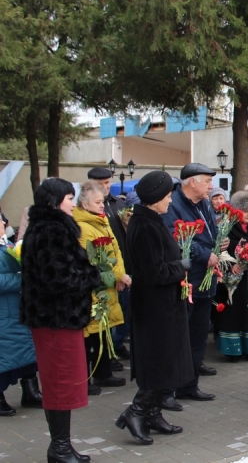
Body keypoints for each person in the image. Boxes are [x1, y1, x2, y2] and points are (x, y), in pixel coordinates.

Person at [20, 178, 100, 463]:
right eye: (68, 198)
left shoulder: (48, 227)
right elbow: (57, 278)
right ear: (53, 201)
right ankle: (60, 447)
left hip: (57, 318)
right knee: (59, 382)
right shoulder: (51, 230)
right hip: (54, 319)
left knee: (63, 382)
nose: (72, 203)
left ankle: (62, 445)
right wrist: (93, 275)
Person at [118, 170, 193, 445]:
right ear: (155, 198)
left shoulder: (150, 220)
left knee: (164, 360)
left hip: (162, 304)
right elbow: (154, 272)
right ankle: (136, 411)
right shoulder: (146, 225)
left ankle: (152, 412)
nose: (170, 201)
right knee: (158, 360)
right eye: (167, 196)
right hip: (155, 307)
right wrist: (181, 267)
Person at [161, 163, 226, 409]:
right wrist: (204, 254)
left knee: (198, 335)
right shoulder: (174, 204)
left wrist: (219, 243)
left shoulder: (204, 204)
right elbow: (175, 238)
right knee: (178, 336)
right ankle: (167, 390)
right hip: (186, 280)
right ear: (192, 182)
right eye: (207, 181)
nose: (211, 186)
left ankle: (189, 384)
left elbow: (209, 233)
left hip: (205, 278)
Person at [73, 180, 129, 393]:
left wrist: (120, 274)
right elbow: (97, 261)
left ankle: (103, 374)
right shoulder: (85, 227)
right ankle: (88, 377)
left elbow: (116, 251)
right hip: (95, 290)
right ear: (84, 204)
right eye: (97, 202)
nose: (102, 206)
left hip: (108, 287)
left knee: (103, 331)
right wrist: (118, 275)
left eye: (103, 202)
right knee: (91, 335)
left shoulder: (101, 221)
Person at [88, 167, 132, 363]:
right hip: (106, 271)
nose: (105, 187)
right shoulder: (90, 208)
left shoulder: (118, 203)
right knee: (109, 311)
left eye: (107, 183)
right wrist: (113, 273)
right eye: (100, 184)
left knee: (124, 309)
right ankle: (109, 350)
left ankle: (119, 343)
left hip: (123, 264)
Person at [214, 191, 248, 362]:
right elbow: (218, 252)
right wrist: (232, 264)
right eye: (244, 210)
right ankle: (232, 351)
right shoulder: (226, 227)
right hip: (231, 278)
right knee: (232, 311)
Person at [0, 234, 42, 417]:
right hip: (4, 312)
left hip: (18, 308)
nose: (2, 223)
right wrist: (22, 279)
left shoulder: (7, 245)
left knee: (27, 351)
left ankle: (31, 392)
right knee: (6, 355)